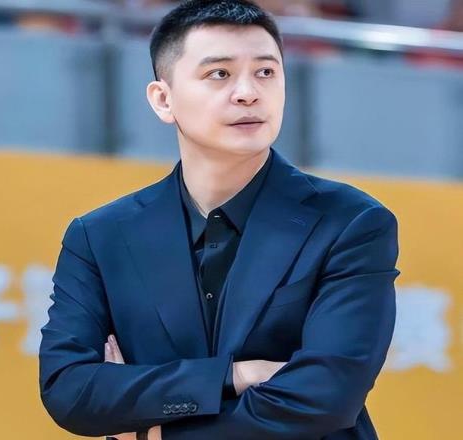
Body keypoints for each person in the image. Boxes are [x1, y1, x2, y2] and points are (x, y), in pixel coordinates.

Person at [38, 1, 400, 439]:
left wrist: (154, 431)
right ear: (163, 99)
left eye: (265, 72)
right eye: (219, 74)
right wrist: (236, 375)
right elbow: (71, 390)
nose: (248, 92)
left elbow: (326, 395)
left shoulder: (352, 222)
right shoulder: (100, 236)